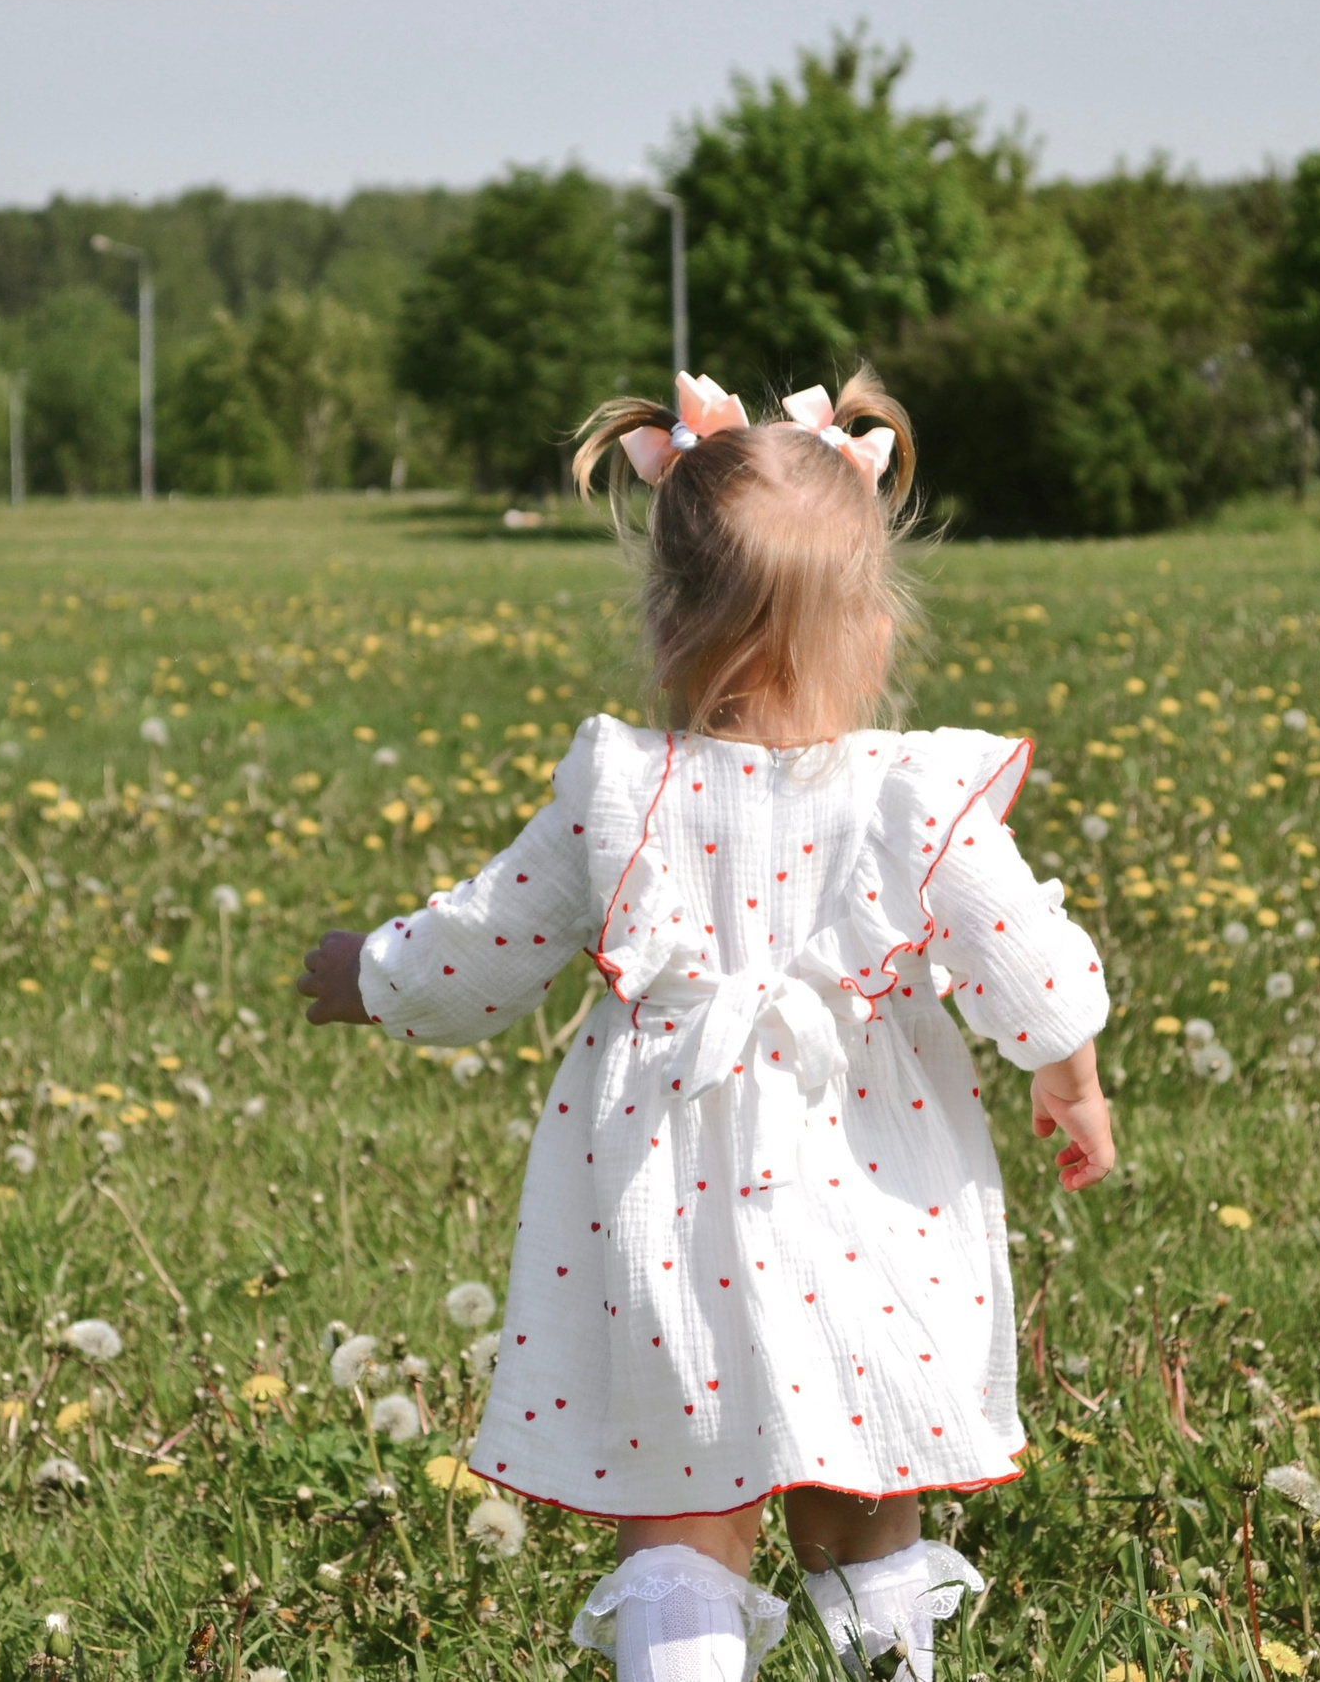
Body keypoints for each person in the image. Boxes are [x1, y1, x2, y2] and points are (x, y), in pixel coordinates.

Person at [299, 370, 1114, 1681]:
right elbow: (1026, 953)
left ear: (665, 616)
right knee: (864, 1500)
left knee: (681, 1514)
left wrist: (370, 972)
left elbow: (487, 936)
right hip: (869, 1201)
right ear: (879, 628)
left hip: (668, 1220)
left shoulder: (619, 789)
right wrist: (1068, 1078)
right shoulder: (911, 796)